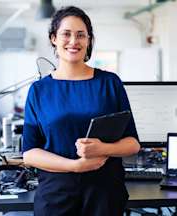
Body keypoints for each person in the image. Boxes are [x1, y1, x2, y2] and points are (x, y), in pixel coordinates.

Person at [22, 6, 140, 216]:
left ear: (88, 40)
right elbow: (30, 153)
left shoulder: (109, 83)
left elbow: (132, 144)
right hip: (56, 195)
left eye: (81, 35)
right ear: (53, 39)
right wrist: (75, 166)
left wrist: (103, 148)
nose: (73, 41)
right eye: (66, 34)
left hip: (105, 194)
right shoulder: (39, 90)